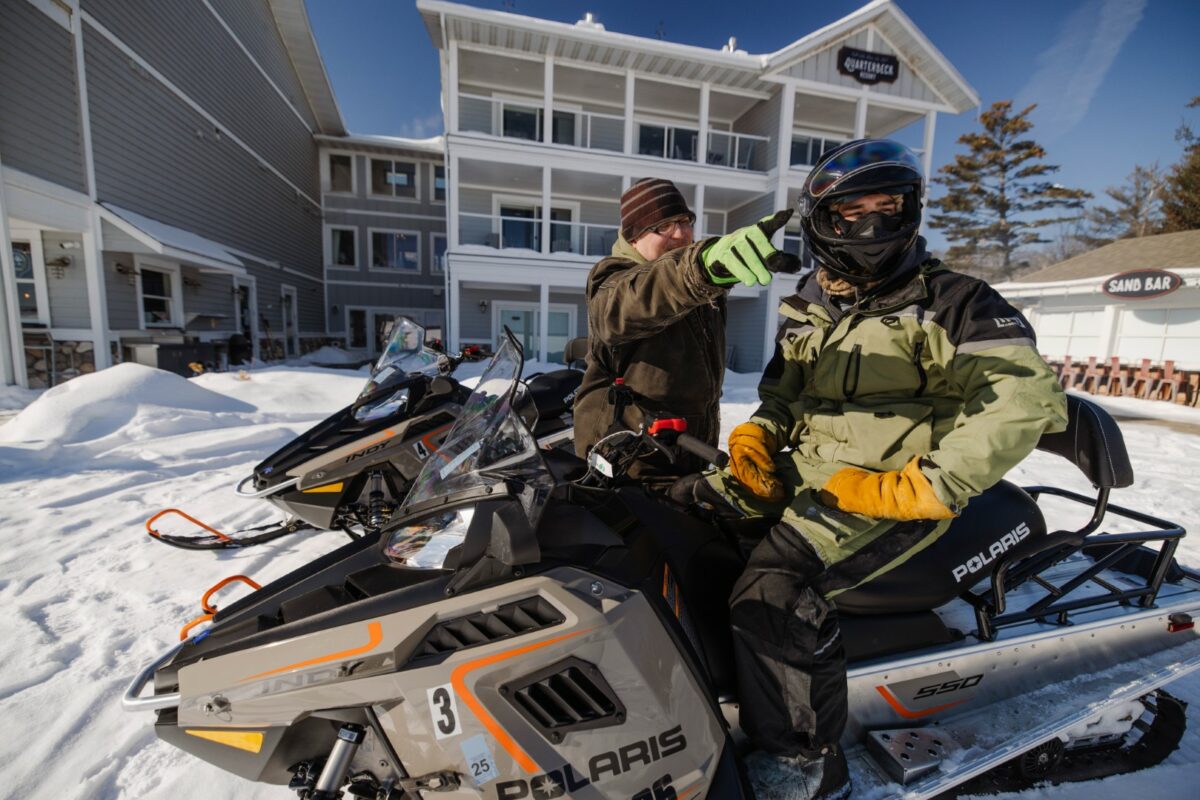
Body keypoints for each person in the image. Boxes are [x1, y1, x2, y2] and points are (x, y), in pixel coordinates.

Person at [712, 139, 1068, 798]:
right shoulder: (812, 298)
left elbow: (1024, 400)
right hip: (812, 476)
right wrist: (758, 437)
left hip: (889, 490)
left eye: (888, 205)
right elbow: (784, 392)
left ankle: (806, 761)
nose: (873, 223)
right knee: (686, 520)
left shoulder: (957, 300)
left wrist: (929, 484)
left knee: (773, 592)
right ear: (823, 219)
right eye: (854, 210)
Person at [573, 177, 791, 477]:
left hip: (690, 449)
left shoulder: (698, 287)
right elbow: (623, 306)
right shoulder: (613, 277)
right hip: (628, 459)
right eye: (663, 226)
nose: (680, 233)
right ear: (634, 237)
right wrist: (700, 268)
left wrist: (710, 273)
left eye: (685, 221)